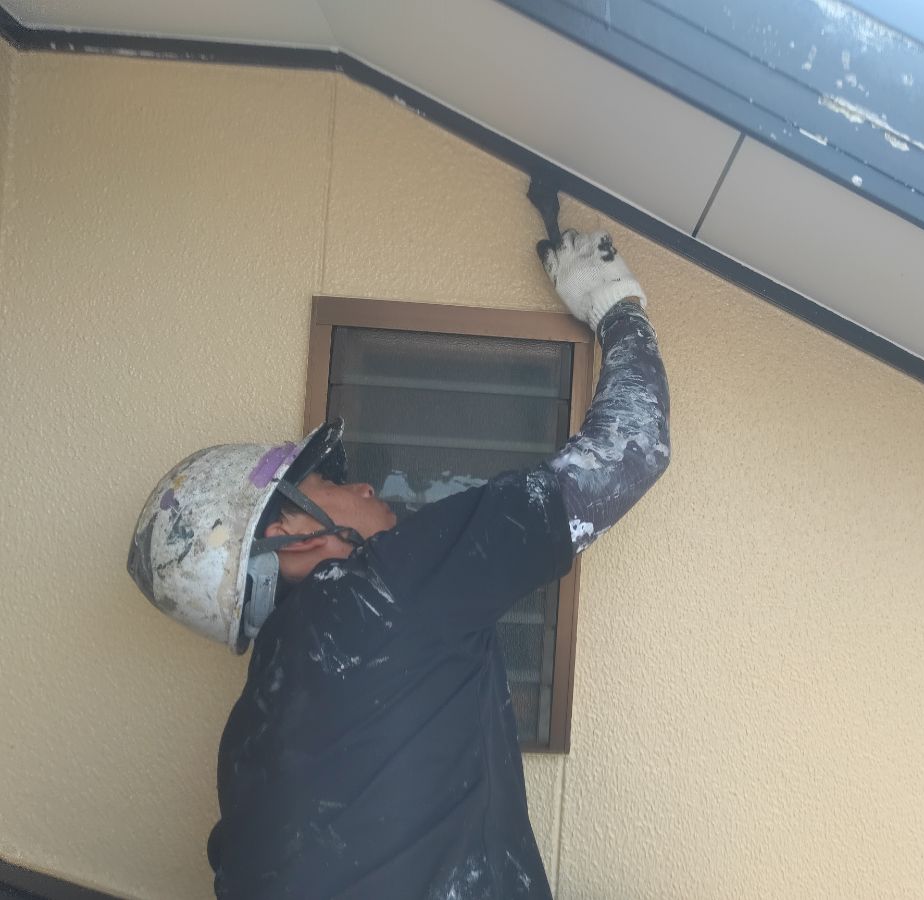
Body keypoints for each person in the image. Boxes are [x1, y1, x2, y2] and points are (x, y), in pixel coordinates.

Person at [126, 228, 671, 899]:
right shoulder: (389, 588)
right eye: (326, 483)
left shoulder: (248, 737)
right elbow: (630, 452)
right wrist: (616, 304)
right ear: (292, 535)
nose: (362, 486)